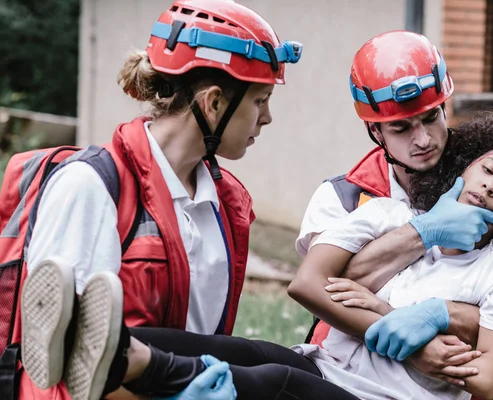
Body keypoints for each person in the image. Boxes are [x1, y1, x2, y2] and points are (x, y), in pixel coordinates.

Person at [20, 113, 493, 400]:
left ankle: (122, 362)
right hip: (326, 365)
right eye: (489, 169)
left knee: (271, 381)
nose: (492, 188)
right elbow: (310, 285)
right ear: (467, 162)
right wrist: (397, 319)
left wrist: (432, 312)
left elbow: (490, 379)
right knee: (230, 348)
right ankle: (79, 339)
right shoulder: (386, 215)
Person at [16, 0, 301, 399]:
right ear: (214, 102)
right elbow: (67, 358)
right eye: (260, 100)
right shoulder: (90, 185)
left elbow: (207, 342)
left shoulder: (227, 202)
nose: (267, 117)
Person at [292, 30, 493, 397]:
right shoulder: (342, 197)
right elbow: (327, 287)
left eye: (430, 117)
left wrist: (439, 313)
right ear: (375, 130)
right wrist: (424, 231)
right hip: (353, 378)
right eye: (401, 127)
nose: (423, 139)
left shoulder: (488, 182)